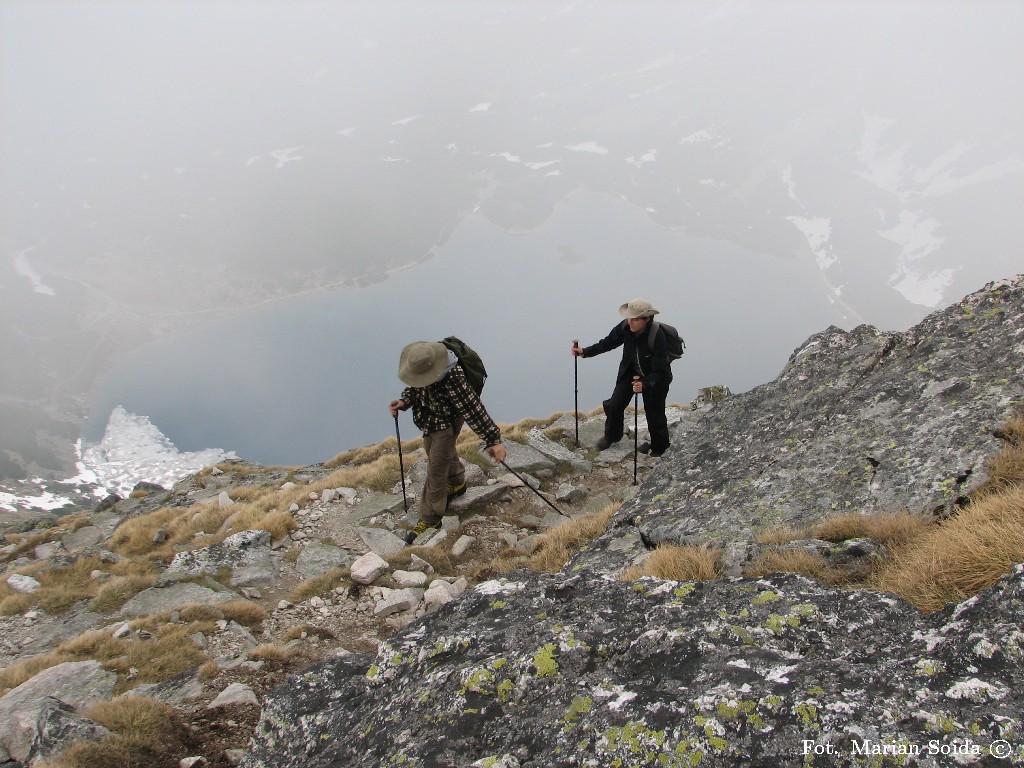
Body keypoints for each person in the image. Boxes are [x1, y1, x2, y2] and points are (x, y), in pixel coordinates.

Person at [389, 341, 507, 532]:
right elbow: (417, 386)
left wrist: (493, 440)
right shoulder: (427, 363)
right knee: (433, 450)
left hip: (448, 420)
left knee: (436, 467)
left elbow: (473, 409)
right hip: (431, 418)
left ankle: (431, 519)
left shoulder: (453, 376)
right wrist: (405, 401)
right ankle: (457, 482)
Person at [572, 298, 673, 457]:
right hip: (630, 373)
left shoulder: (657, 336)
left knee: (654, 412)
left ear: (647, 319)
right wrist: (585, 352)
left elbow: (660, 370)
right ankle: (612, 435)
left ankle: (659, 448)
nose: (630, 322)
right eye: (629, 318)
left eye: (635, 319)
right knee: (615, 404)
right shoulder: (625, 328)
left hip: (655, 379)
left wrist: (645, 384)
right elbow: (608, 343)